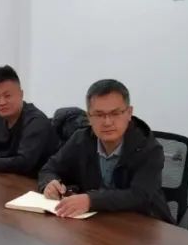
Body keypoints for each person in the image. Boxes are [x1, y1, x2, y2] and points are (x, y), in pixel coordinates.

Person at [38, 79, 173, 221]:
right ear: (89, 117)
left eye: (115, 113)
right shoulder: (81, 140)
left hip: (144, 224)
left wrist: (91, 200)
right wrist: (49, 183)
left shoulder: (149, 149)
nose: (107, 122)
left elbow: (139, 196)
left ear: (129, 113)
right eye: (99, 115)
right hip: (99, 222)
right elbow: (49, 168)